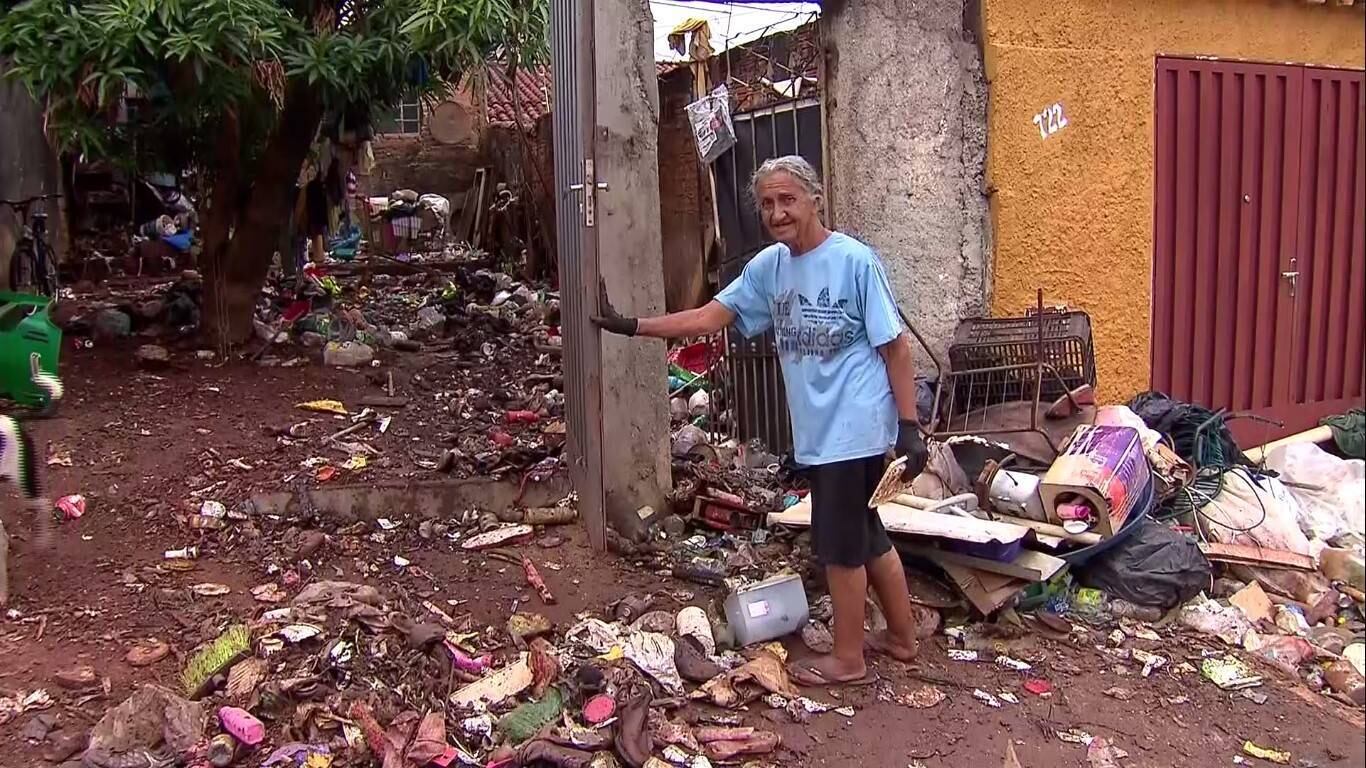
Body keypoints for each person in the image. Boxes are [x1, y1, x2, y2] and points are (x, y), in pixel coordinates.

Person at [593, 154, 930, 686]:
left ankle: (849, 659)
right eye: (768, 203)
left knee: (841, 547)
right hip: (820, 429)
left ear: (815, 199)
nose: (777, 212)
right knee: (867, 535)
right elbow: (710, 317)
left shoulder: (854, 261)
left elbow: (896, 349)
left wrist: (909, 428)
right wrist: (631, 325)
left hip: (856, 424)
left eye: (788, 200)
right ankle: (902, 639)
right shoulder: (770, 267)